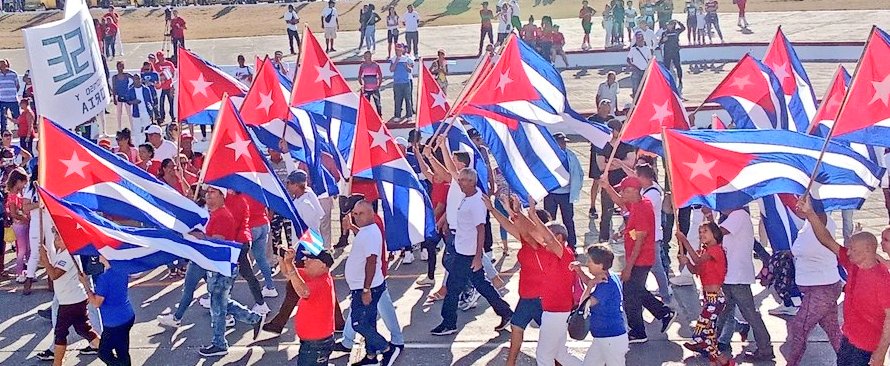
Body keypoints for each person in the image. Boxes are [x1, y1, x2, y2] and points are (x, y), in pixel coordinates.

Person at [797, 196, 890, 366]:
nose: (848, 253)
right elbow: (826, 240)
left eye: (853, 249)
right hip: (848, 340)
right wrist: (810, 214)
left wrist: (880, 354)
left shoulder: (883, 279)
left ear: (868, 250)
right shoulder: (853, 264)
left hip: (866, 348)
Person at [431, 166, 513, 336]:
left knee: (453, 287)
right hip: (462, 249)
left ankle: (449, 322)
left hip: (467, 254)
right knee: (481, 284)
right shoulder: (467, 197)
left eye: (464, 180)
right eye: (459, 180)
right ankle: (505, 312)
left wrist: (477, 257)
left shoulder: (476, 202)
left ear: (472, 181)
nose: (460, 183)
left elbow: (480, 230)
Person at [599, 176, 675, 343]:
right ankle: (663, 313)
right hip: (641, 258)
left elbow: (640, 241)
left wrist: (628, 268)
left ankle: (638, 332)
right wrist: (607, 186)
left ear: (633, 191)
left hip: (640, 259)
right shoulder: (639, 202)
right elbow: (620, 202)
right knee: (637, 290)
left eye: (624, 190)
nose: (622, 193)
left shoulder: (641, 209)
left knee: (630, 295)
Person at [198, 186, 265, 357]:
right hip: (219, 266)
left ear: (222, 196)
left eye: (213, 192)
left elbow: (218, 243)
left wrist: (199, 238)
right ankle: (254, 318)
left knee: (218, 306)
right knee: (220, 302)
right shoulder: (216, 214)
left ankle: (219, 343)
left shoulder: (222, 216)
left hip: (222, 267)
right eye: (207, 192)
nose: (208, 195)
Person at [343, 200, 401, 366]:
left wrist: (366, 289)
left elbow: (371, 261)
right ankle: (371, 357)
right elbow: (363, 240)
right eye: (355, 214)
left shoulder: (370, 232)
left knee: (358, 322)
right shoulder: (367, 230)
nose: (357, 217)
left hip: (366, 288)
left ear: (371, 213)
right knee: (368, 322)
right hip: (363, 286)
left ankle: (387, 348)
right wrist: (352, 228)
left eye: (360, 213)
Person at [713, 207, 774, 360]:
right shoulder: (734, 217)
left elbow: (717, 234)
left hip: (737, 277)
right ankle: (710, 341)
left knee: (749, 313)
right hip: (731, 276)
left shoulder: (739, 215)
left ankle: (765, 348)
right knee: (723, 309)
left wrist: (708, 217)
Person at [785, 206, 842, 366]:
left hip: (821, 288)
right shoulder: (810, 223)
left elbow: (805, 248)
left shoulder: (820, 222)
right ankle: (849, 361)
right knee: (833, 330)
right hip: (821, 286)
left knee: (799, 327)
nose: (797, 205)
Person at [40, 229, 102, 366]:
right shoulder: (61, 253)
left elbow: (54, 275)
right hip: (73, 299)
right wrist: (44, 256)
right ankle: (105, 350)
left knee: (60, 333)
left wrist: (45, 260)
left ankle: (57, 363)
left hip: (71, 301)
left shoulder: (68, 255)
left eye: (60, 236)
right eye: (55, 235)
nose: (57, 239)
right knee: (83, 329)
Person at [675, 221, 733, 365]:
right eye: (700, 232)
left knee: (701, 330)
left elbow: (698, 260)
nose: (702, 235)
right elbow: (696, 269)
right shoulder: (705, 252)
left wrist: (684, 241)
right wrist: (686, 261)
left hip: (715, 299)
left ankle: (717, 356)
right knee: (709, 331)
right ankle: (716, 359)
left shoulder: (715, 250)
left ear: (715, 234)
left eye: (705, 231)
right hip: (708, 298)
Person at [281, 247, 336, 366]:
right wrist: (284, 259)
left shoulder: (322, 283)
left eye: (311, 259)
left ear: (323, 265)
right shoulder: (314, 275)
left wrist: (290, 264)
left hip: (317, 344)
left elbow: (303, 292)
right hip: (313, 342)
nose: (306, 260)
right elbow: (288, 273)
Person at [575, 244, 628, 366]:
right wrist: (580, 272)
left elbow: (583, 305)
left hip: (611, 338)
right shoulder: (609, 276)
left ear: (600, 265)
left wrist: (589, 286)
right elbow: (593, 284)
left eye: (590, 261)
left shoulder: (606, 286)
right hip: (603, 337)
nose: (587, 263)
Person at [86, 256, 135, 366]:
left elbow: (96, 303)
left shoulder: (104, 278)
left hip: (113, 322)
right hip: (127, 315)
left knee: (104, 353)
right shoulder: (122, 270)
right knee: (122, 351)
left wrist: (86, 286)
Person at [635, 164, 672, 305]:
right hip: (648, 235)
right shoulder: (650, 188)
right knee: (643, 267)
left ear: (643, 177)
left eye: (637, 176)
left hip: (652, 237)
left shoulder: (652, 194)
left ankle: (665, 296)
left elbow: (642, 209)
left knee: (656, 268)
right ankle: (641, 293)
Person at [543, 133, 582, 251]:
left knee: (568, 220)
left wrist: (576, 186)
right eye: (561, 142)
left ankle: (571, 245)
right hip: (551, 193)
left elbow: (578, 172)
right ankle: (549, 243)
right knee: (549, 220)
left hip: (566, 194)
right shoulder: (547, 156)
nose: (564, 144)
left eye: (564, 142)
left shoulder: (571, 155)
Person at [7, 168, 30, 284]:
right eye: (23, 182)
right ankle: (19, 273)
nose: (24, 185)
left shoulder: (18, 194)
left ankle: (28, 272)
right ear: (17, 181)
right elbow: (13, 214)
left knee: (27, 249)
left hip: (24, 224)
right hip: (19, 225)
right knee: (22, 250)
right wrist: (24, 218)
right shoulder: (12, 196)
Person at [124, 74, 156, 140]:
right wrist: (134, 102)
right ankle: (138, 145)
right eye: (135, 79)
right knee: (137, 131)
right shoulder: (130, 90)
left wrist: (151, 113)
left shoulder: (146, 89)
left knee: (147, 131)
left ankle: (147, 144)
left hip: (146, 113)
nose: (137, 80)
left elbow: (150, 102)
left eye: (138, 79)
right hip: (136, 114)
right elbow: (128, 101)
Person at [390, 44, 414, 121]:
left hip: (406, 82)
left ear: (402, 50)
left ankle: (409, 115)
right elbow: (391, 69)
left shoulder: (406, 58)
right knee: (397, 99)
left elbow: (410, 70)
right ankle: (397, 115)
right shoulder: (393, 59)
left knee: (408, 99)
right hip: (397, 83)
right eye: (397, 50)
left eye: (400, 50)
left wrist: (406, 66)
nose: (398, 51)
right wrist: (396, 61)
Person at [659, 20, 686, 88]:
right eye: (668, 25)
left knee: (678, 66)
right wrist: (663, 40)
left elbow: (683, 28)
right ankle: (667, 80)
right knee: (666, 67)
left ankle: (680, 80)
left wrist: (678, 22)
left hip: (675, 51)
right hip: (667, 52)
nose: (669, 26)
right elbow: (660, 42)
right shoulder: (664, 33)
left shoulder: (676, 31)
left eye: (670, 25)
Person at [626, 31, 653, 97]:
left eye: (641, 39)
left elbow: (650, 60)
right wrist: (633, 66)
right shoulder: (633, 49)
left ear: (643, 39)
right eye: (638, 39)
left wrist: (648, 69)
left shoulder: (647, 49)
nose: (639, 41)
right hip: (636, 71)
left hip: (645, 71)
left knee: (645, 88)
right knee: (635, 89)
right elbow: (628, 59)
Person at [358, 51, 383, 115]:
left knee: (378, 104)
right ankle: (367, 117)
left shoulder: (376, 65)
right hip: (366, 89)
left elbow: (380, 75)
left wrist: (379, 85)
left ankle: (380, 117)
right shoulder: (362, 65)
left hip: (375, 88)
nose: (365, 57)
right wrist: (361, 84)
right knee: (366, 105)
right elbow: (359, 76)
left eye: (366, 56)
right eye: (364, 56)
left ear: (370, 56)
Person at [153, 52, 176, 123]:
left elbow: (173, 73)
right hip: (161, 88)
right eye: (159, 57)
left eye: (162, 56)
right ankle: (162, 117)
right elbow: (157, 74)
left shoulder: (169, 64)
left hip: (169, 86)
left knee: (171, 103)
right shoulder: (156, 65)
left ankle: (172, 116)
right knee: (161, 103)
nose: (161, 58)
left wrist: (167, 76)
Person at [111, 61, 133, 131]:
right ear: (117, 67)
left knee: (129, 113)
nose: (120, 68)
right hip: (119, 96)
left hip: (126, 95)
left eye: (121, 66)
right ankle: (119, 128)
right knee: (119, 113)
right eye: (119, 66)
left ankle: (132, 127)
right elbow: (114, 88)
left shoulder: (127, 75)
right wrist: (114, 98)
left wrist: (130, 88)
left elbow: (135, 79)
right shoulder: (114, 77)